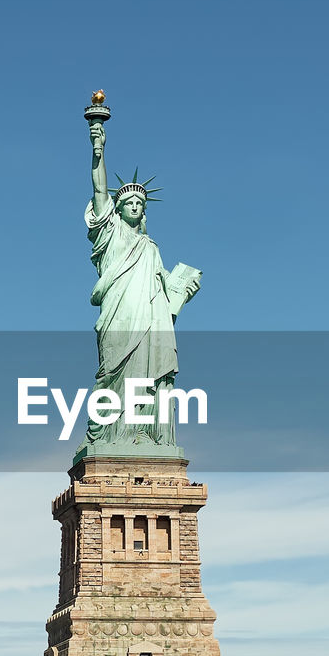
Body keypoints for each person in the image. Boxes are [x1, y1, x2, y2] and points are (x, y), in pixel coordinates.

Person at [82, 113, 200, 450]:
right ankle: (107, 434)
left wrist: (181, 291)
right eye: (128, 202)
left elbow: (163, 292)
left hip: (150, 319)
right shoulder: (111, 232)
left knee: (148, 376)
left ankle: (141, 433)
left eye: (140, 203)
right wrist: (98, 149)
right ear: (117, 210)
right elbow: (99, 187)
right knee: (112, 373)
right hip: (119, 314)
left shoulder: (151, 248)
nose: (134, 206)